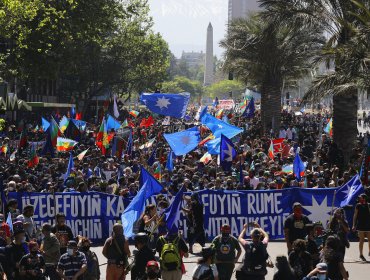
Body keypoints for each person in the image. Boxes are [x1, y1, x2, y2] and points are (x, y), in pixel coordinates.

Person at [352, 193, 370, 261]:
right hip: (360, 225)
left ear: (364, 198)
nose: (359, 198)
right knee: (361, 240)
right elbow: (355, 215)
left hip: (368, 224)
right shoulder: (358, 205)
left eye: (360, 197)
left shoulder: (368, 205)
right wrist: (354, 225)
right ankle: (361, 254)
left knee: (369, 239)